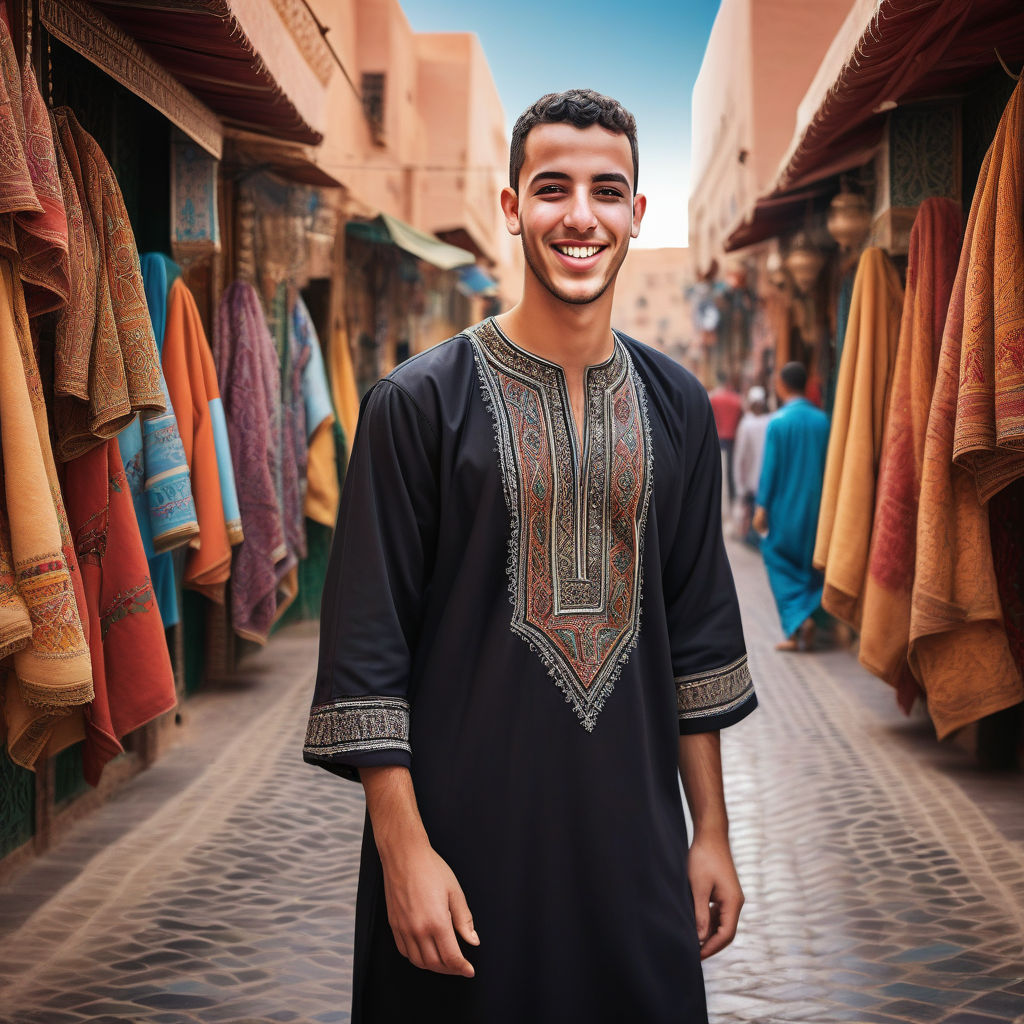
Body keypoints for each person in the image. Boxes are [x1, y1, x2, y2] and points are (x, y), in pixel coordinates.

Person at [303, 88, 757, 1024]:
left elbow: (700, 639)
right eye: (552, 189)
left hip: (635, 856)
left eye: (607, 190)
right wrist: (404, 855)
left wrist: (709, 832)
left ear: (638, 211)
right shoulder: (417, 407)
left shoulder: (676, 407)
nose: (580, 216)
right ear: (511, 208)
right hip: (461, 866)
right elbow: (365, 658)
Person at [753, 361, 830, 651]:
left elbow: (770, 468)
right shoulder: (823, 421)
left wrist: (762, 508)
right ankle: (802, 624)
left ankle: (797, 622)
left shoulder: (779, 422)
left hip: (785, 508)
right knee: (810, 563)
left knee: (776, 558)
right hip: (817, 509)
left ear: (782, 385)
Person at [732, 385, 771, 546]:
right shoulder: (771, 420)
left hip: (751, 479)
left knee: (753, 512)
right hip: (764, 477)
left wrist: (739, 484)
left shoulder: (747, 424)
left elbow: (740, 456)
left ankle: (753, 539)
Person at [709, 372, 744, 504]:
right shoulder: (737, 399)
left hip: (718, 437)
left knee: (720, 471)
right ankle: (732, 499)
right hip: (733, 438)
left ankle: (722, 501)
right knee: (731, 470)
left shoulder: (713, 398)